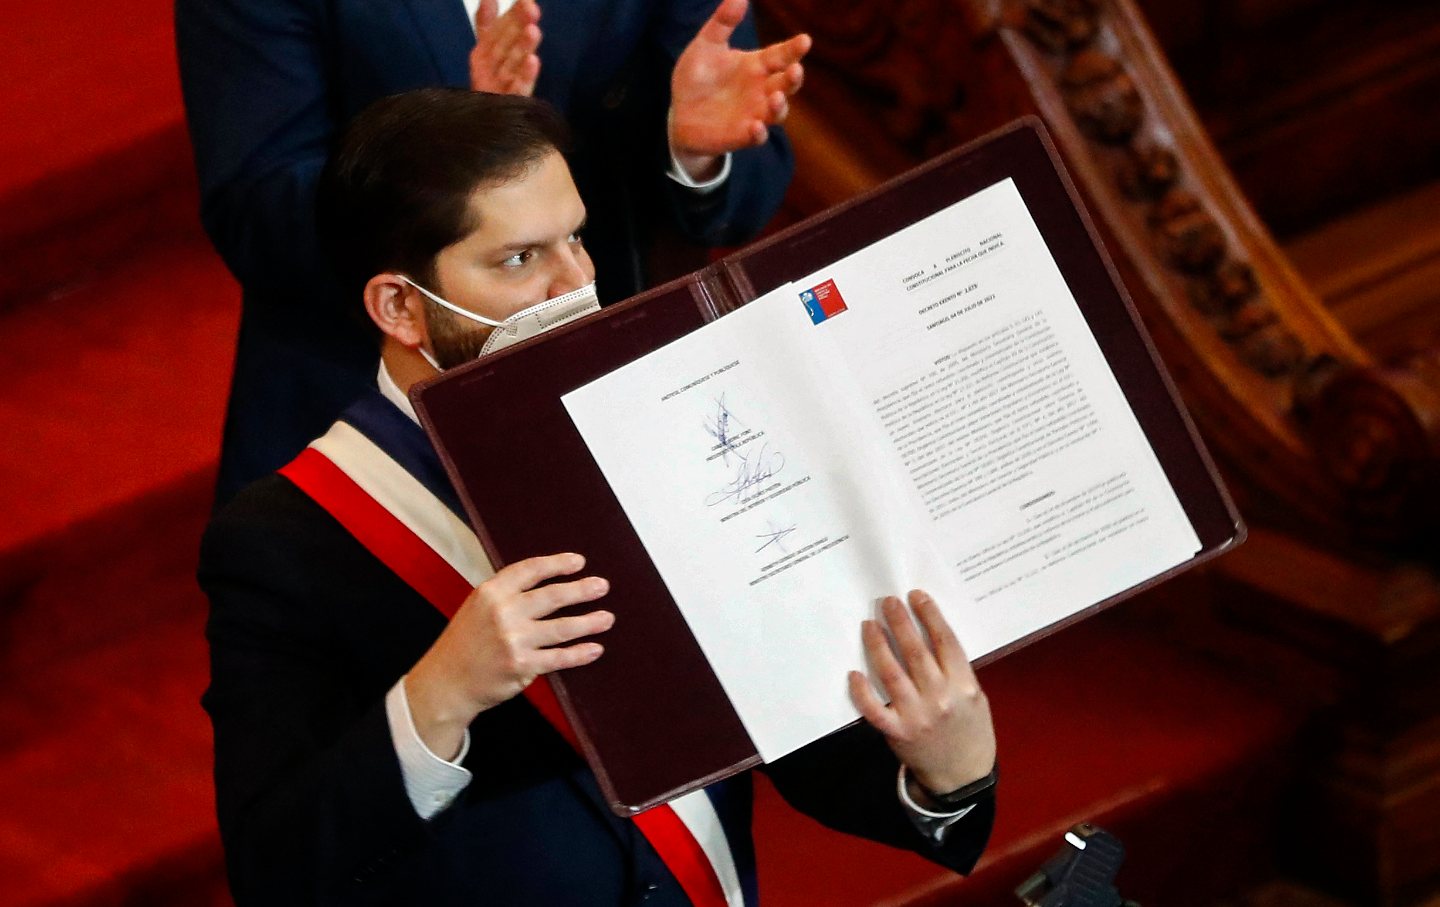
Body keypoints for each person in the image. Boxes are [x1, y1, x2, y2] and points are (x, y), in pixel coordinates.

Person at [199, 88, 998, 906]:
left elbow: (781, 710)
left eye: (577, 239)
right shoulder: (286, 538)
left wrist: (945, 776)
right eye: (520, 260)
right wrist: (442, 692)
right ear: (401, 305)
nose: (576, 284)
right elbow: (278, 865)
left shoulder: (673, 429)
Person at [175, 0, 811, 503]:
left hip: (614, 395)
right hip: (375, 418)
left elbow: (745, 195)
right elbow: (257, 216)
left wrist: (693, 149)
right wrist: (459, 137)